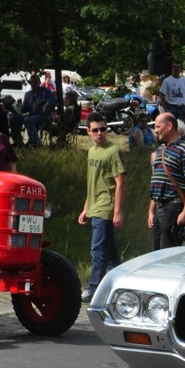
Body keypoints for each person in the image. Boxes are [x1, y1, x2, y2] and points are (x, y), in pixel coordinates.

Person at [78, 113, 126, 301]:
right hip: (94, 205)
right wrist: (85, 208)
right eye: (95, 130)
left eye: (103, 129)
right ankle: (121, 286)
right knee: (110, 253)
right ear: (88, 132)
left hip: (106, 207)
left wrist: (117, 212)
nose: (100, 133)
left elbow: (121, 183)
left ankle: (93, 289)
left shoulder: (113, 151)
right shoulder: (91, 151)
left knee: (97, 251)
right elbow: (92, 183)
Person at [148, 112, 185, 250]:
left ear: (169, 126)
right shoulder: (160, 149)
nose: (155, 130)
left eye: (158, 126)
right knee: (156, 250)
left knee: (168, 250)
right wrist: (151, 211)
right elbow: (156, 183)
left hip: (173, 205)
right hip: (159, 207)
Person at [21, 74, 57, 147]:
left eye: (35, 82)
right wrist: (25, 102)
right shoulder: (28, 94)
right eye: (31, 82)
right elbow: (23, 110)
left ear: (39, 83)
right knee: (14, 118)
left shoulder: (46, 91)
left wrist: (43, 101)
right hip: (31, 115)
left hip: (44, 116)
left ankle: (36, 142)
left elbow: (55, 102)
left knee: (28, 120)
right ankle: (18, 141)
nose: (33, 84)